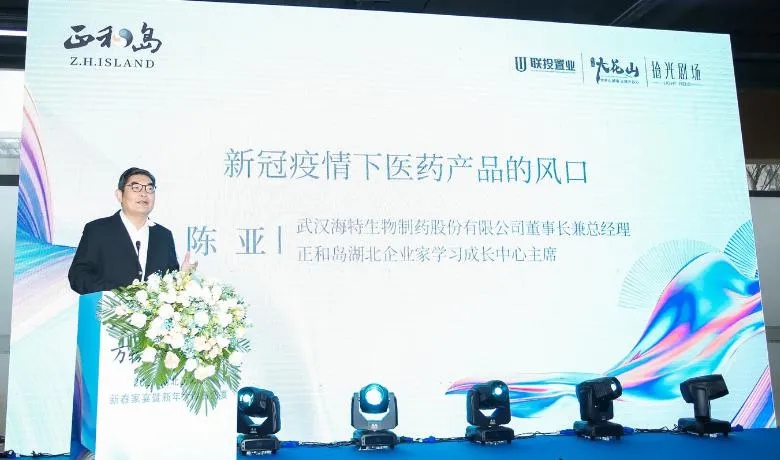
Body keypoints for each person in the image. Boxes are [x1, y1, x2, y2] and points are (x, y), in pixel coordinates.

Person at [68, 167, 197, 295]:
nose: (144, 193)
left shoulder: (163, 236)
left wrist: (182, 277)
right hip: (108, 307)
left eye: (149, 188)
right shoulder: (98, 230)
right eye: (136, 188)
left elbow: (168, 284)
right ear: (119, 195)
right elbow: (78, 276)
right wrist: (119, 294)